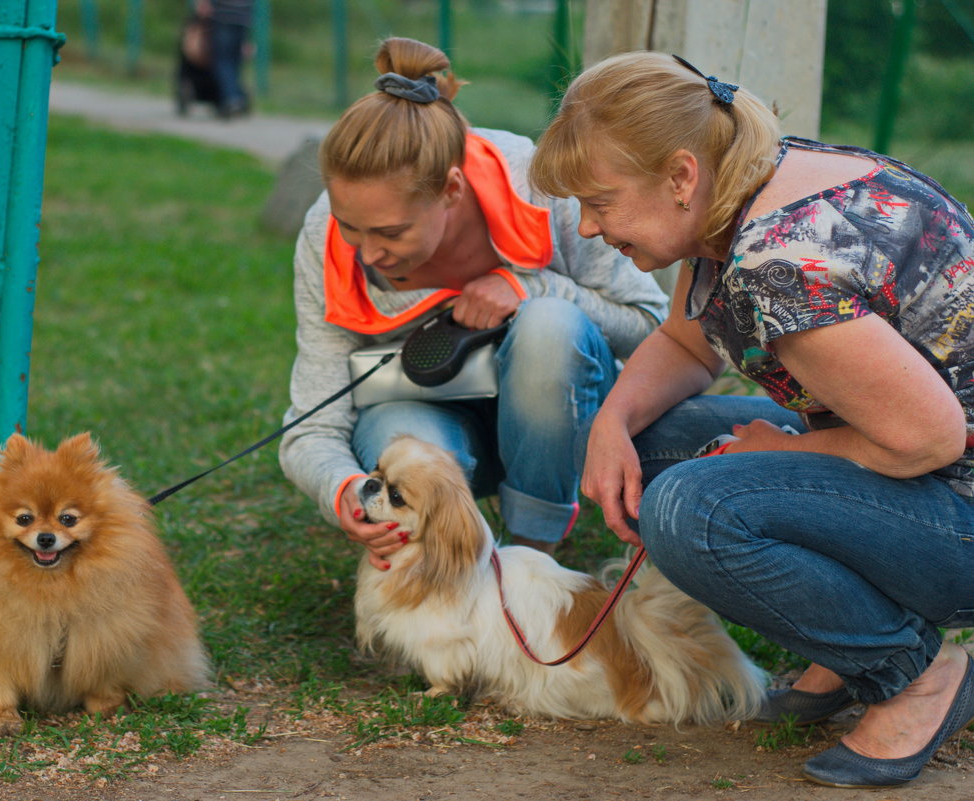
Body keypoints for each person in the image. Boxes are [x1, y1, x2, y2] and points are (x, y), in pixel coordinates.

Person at [529, 50, 974, 788]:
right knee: (650, 445)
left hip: (953, 504)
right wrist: (609, 422)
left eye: (600, 201)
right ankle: (846, 638)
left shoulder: (781, 262)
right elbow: (683, 342)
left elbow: (930, 437)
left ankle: (912, 672)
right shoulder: (740, 186)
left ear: (678, 176)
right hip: (915, 465)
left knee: (689, 508)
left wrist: (776, 447)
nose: (588, 226)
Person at [278, 38, 668, 569]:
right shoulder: (324, 235)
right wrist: (342, 488)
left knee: (548, 324)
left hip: (564, 425)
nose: (368, 252)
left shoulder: (537, 187)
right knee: (395, 438)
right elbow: (312, 425)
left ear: (452, 190)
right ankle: (450, 570)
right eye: (351, 227)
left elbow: (653, 328)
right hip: (425, 422)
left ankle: (533, 558)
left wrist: (530, 288)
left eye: (391, 232)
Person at [197, 0, 251, 118]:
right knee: (234, 60)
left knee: (222, 60)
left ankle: (231, 98)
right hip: (243, 15)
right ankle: (238, 96)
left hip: (223, 15)